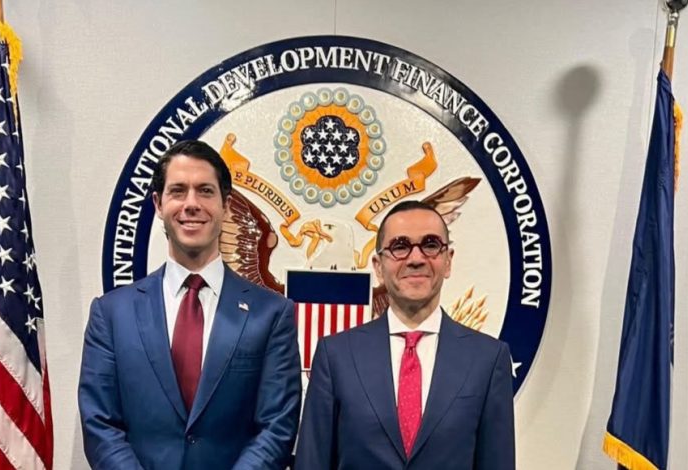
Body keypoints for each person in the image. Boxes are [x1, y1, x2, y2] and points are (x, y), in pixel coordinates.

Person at [78, 139, 301, 469]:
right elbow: (100, 424)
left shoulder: (271, 314)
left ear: (226, 205)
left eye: (205, 191)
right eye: (178, 191)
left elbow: (276, 427)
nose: (192, 204)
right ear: (158, 204)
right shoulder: (111, 314)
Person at [295, 200, 515, 470]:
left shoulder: (488, 359)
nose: (416, 258)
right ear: (378, 266)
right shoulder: (336, 356)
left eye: (430, 245)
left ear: (448, 261)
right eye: (400, 246)